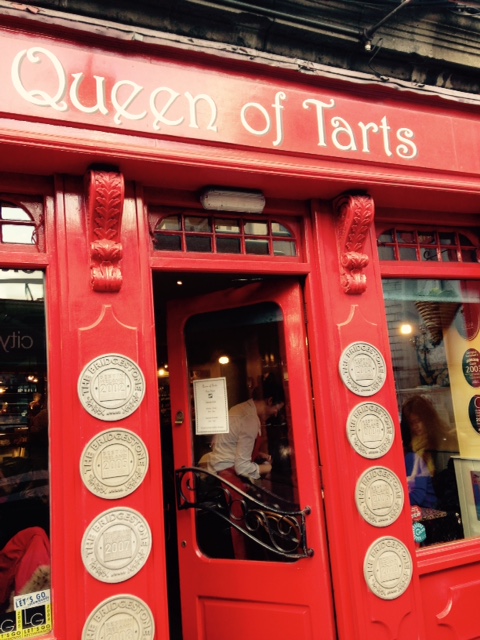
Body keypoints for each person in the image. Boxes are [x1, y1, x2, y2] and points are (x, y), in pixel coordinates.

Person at [200, 375, 285, 558]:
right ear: (270, 400)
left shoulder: (239, 409)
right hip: (230, 479)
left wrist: (258, 454)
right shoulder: (250, 420)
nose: (276, 414)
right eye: (277, 408)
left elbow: (228, 443)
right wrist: (268, 468)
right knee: (240, 532)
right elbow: (242, 467)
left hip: (218, 473)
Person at [401, 395, 450, 509]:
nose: (415, 427)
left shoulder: (441, 441)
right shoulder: (412, 450)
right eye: (411, 423)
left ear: (427, 419)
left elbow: (418, 495)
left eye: (418, 421)